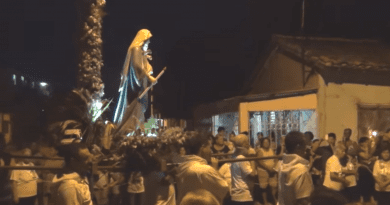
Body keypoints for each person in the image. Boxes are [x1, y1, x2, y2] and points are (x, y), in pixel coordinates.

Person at [114, 28, 157, 126]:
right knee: (135, 106)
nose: (149, 42)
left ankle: (136, 126)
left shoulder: (139, 51)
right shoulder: (136, 49)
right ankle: (130, 127)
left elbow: (143, 64)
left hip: (136, 87)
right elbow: (137, 66)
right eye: (148, 39)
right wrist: (149, 77)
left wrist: (145, 56)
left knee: (139, 108)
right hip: (134, 88)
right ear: (143, 39)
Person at [176, 133, 229, 204]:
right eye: (209, 147)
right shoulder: (205, 169)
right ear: (202, 148)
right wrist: (214, 168)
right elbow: (224, 189)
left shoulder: (182, 165)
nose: (211, 151)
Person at [277, 131, 313, 205]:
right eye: (305, 144)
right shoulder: (300, 170)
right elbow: (303, 201)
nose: (306, 148)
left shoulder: (282, 165)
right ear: (298, 146)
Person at [230, 134, 257, 205]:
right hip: (243, 196)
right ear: (244, 145)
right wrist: (252, 159)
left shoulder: (234, 156)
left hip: (237, 195)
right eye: (247, 143)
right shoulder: (242, 159)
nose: (248, 145)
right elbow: (252, 174)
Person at [255, 138, 277, 205]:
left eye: (267, 142)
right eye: (264, 142)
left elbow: (276, 159)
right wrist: (268, 168)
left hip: (272, 171)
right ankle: (265, 202)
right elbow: (260, 161)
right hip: (263, 170)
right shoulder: (260, 151)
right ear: (262, 143)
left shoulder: (271, 150)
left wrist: (274, 168)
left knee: (274, 186)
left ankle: (274, 201)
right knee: (263, 188)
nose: (266, 143)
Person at [0, 133, 12, 205]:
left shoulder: (7, 156)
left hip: (4, 191)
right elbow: (10, 174)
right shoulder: (7, 156)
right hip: (4, 189)